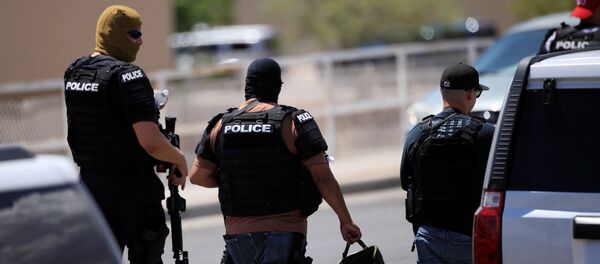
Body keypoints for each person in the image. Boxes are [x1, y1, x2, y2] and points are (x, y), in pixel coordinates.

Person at [190, 58, 362, 264]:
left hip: (237, 239)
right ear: (277, 86)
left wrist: (237, 176)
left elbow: (197, 177)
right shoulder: (293, 122)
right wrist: (345, 221)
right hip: (285, 233)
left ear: (247, 86)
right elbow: (322, 177)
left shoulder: (220, 125)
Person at [63, 5, 188, 263]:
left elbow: (103, 113)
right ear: (113, 34)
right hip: (133, 193)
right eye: (134, 34)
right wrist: (178, 158)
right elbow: (151, 143)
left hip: (90, 189)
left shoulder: (76, 71)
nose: (140, 41)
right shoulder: (128, 75)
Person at [400, 63, 495, 264]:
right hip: (468, 236)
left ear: (442, 92)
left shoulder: (417, 132)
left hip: (427, 236)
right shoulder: (485, 133)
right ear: (470, 94)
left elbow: (405, 181)